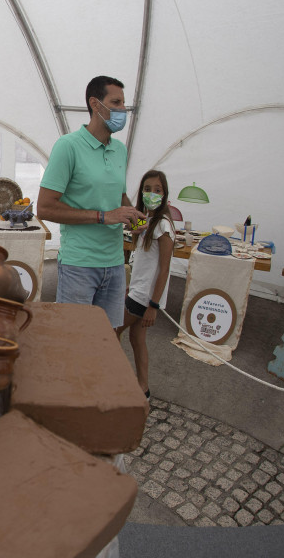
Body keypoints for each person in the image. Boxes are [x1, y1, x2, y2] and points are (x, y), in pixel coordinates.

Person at [37, 75, 145, 328]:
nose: (123, 110)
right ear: (95, 104)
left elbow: (118, 195)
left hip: (116, 263)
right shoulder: (68, 146)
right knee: (74, 338)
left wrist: (133, 216)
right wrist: (103, 216)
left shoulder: (119, 149)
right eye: (116, 102)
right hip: (79, 264)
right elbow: (44, 207)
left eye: (124, 104)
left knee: (106, 338)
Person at [116, 170, 175, 399]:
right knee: (136, 338)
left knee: (113, 330)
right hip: (139, 291)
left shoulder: (163, 225)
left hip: (145, 297)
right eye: (148, 189)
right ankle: (143, 388)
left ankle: (115, 380)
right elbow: (141, 256)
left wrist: (153, 305)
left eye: (157, 190)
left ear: (165, 194)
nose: (152, 193)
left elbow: (164, 269)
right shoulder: (147, 220)